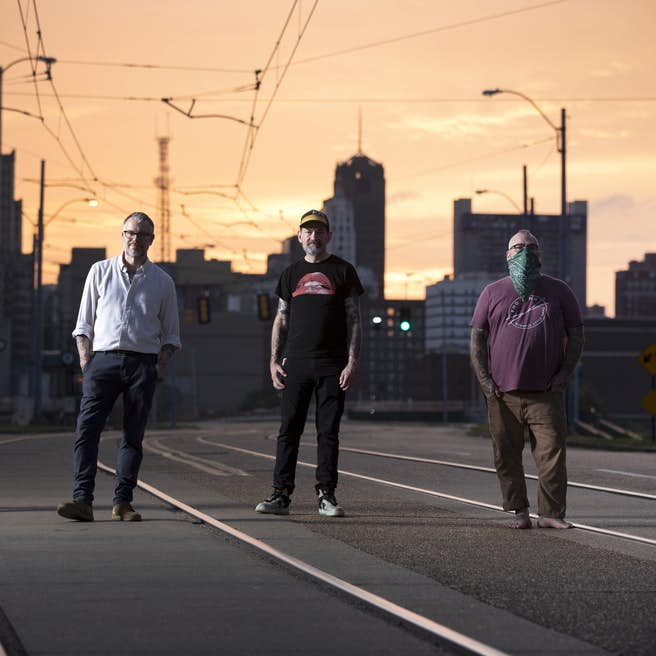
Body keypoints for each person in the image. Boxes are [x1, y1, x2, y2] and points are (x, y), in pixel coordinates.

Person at [57, 212, 181, 522]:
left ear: (151, 239)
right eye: (130, 233)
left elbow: (171, 335)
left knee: (133, 435)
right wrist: (87, 361)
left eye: (142, 235)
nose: (135, 239)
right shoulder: (99, 272)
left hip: (142, 363)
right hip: (103, 361)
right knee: (87, 430)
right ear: (122, 235)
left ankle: (122, 503)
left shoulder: (163, 282)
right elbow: (83, 324)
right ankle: (82, 500)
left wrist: (159, 367)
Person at [470, 229, 584, 529]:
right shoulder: (492, 292)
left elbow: (577, 335)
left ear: (540, 254)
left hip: (546, 392)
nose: (524, 252)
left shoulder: (559, 290)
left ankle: (550, 514)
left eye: (531, 247)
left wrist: (564, 374)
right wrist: (485, 382)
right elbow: (477, 339)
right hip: (502, 393)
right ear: (507, 255)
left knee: (551, 455)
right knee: (506, 455)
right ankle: (518, 511)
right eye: (517, 247)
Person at [255, 209, 363, 517]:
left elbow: (355, 320)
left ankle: (326, 495)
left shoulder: (343, 271)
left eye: (319, 231)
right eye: (308, 231)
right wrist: (273, 361)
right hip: (296, 364)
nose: (313, 236)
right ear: (300, 237)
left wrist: (352, 361)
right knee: (288, 429)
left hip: (332, 364)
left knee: (328, 432)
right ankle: (280, 495)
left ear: (329, 236)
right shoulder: (290, 274)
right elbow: (281, 318)